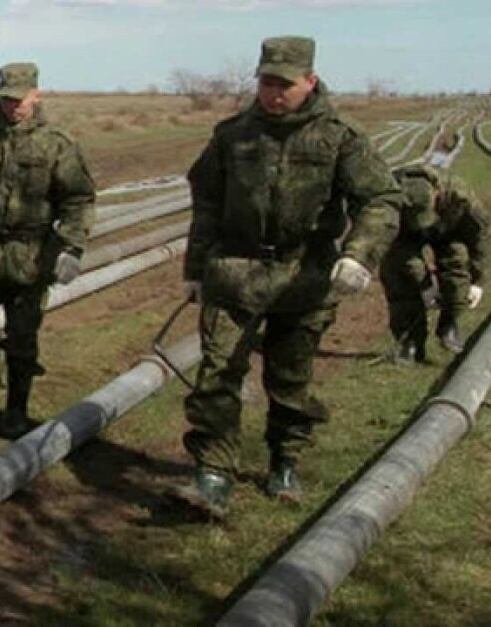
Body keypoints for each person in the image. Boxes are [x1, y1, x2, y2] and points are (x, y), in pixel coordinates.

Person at [169, 36, 405, 519]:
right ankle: (213, 474)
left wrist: (359, 254)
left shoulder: (339, 137)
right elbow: (207, 202)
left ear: (309, 81)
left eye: (285, 84)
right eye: (266, 83)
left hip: (304, 276)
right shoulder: (233, 135)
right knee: (217, 373)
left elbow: (381, 198)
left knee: (290, 379)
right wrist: (195, 270)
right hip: (235, 271)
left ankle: (285, 460)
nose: (274, 94)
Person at [0, 62, 96, 439]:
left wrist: (72, 247)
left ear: (36, 95)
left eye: (19, 100)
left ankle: (17, 407)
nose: (12, 107)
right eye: (6, 100)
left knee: (22, 336)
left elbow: (78, 199)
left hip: (30, 252)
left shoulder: (57, 145)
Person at [379, 163, 489, 362]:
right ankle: (410, 341)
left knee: (458, 261)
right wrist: (425, 285)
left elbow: (478, 237)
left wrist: (477, 281)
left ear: (437, 195)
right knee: (398, 273)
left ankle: (450, 323)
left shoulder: (460, 197)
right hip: (405, 235)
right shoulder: (390, 198)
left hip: (449, 230)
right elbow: (394, 246)